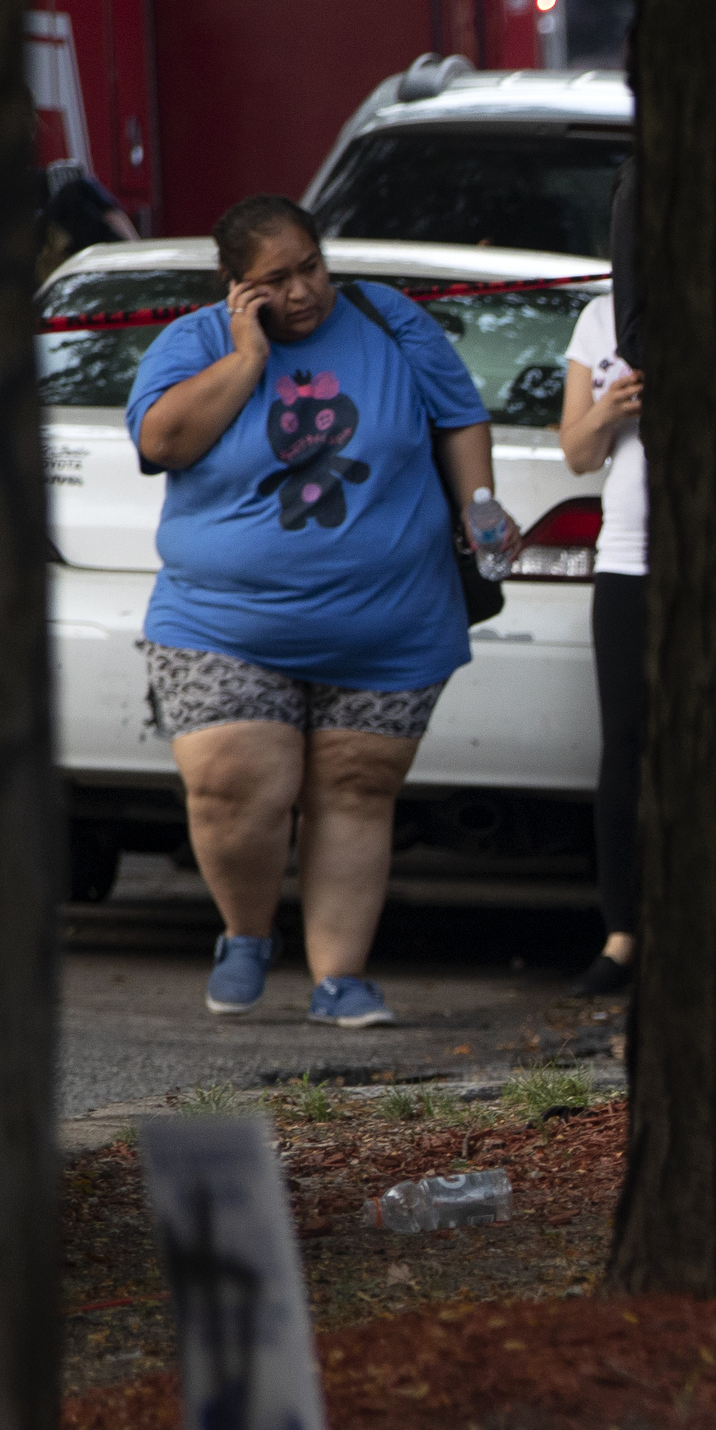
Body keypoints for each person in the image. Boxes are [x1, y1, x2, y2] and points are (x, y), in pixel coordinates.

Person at [124, 196, 498, 1028]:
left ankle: (340, 979)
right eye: (276, 281)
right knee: (236, 786)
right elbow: (163, 443)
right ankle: (247, 933)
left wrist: (480, 505)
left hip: (391, 617)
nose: (303, 291)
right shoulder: (193, 343)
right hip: (223, 621)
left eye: (310, 267)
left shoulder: (387, 318)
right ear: (235, 287)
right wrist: (249, 357)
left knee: (356, 790)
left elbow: (459, 414)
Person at [556, 282, 645, 998]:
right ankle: (623, 935)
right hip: (630, 560)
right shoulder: (603, 315)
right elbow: (577, 453)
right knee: (626, 748)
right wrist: (610, 407)